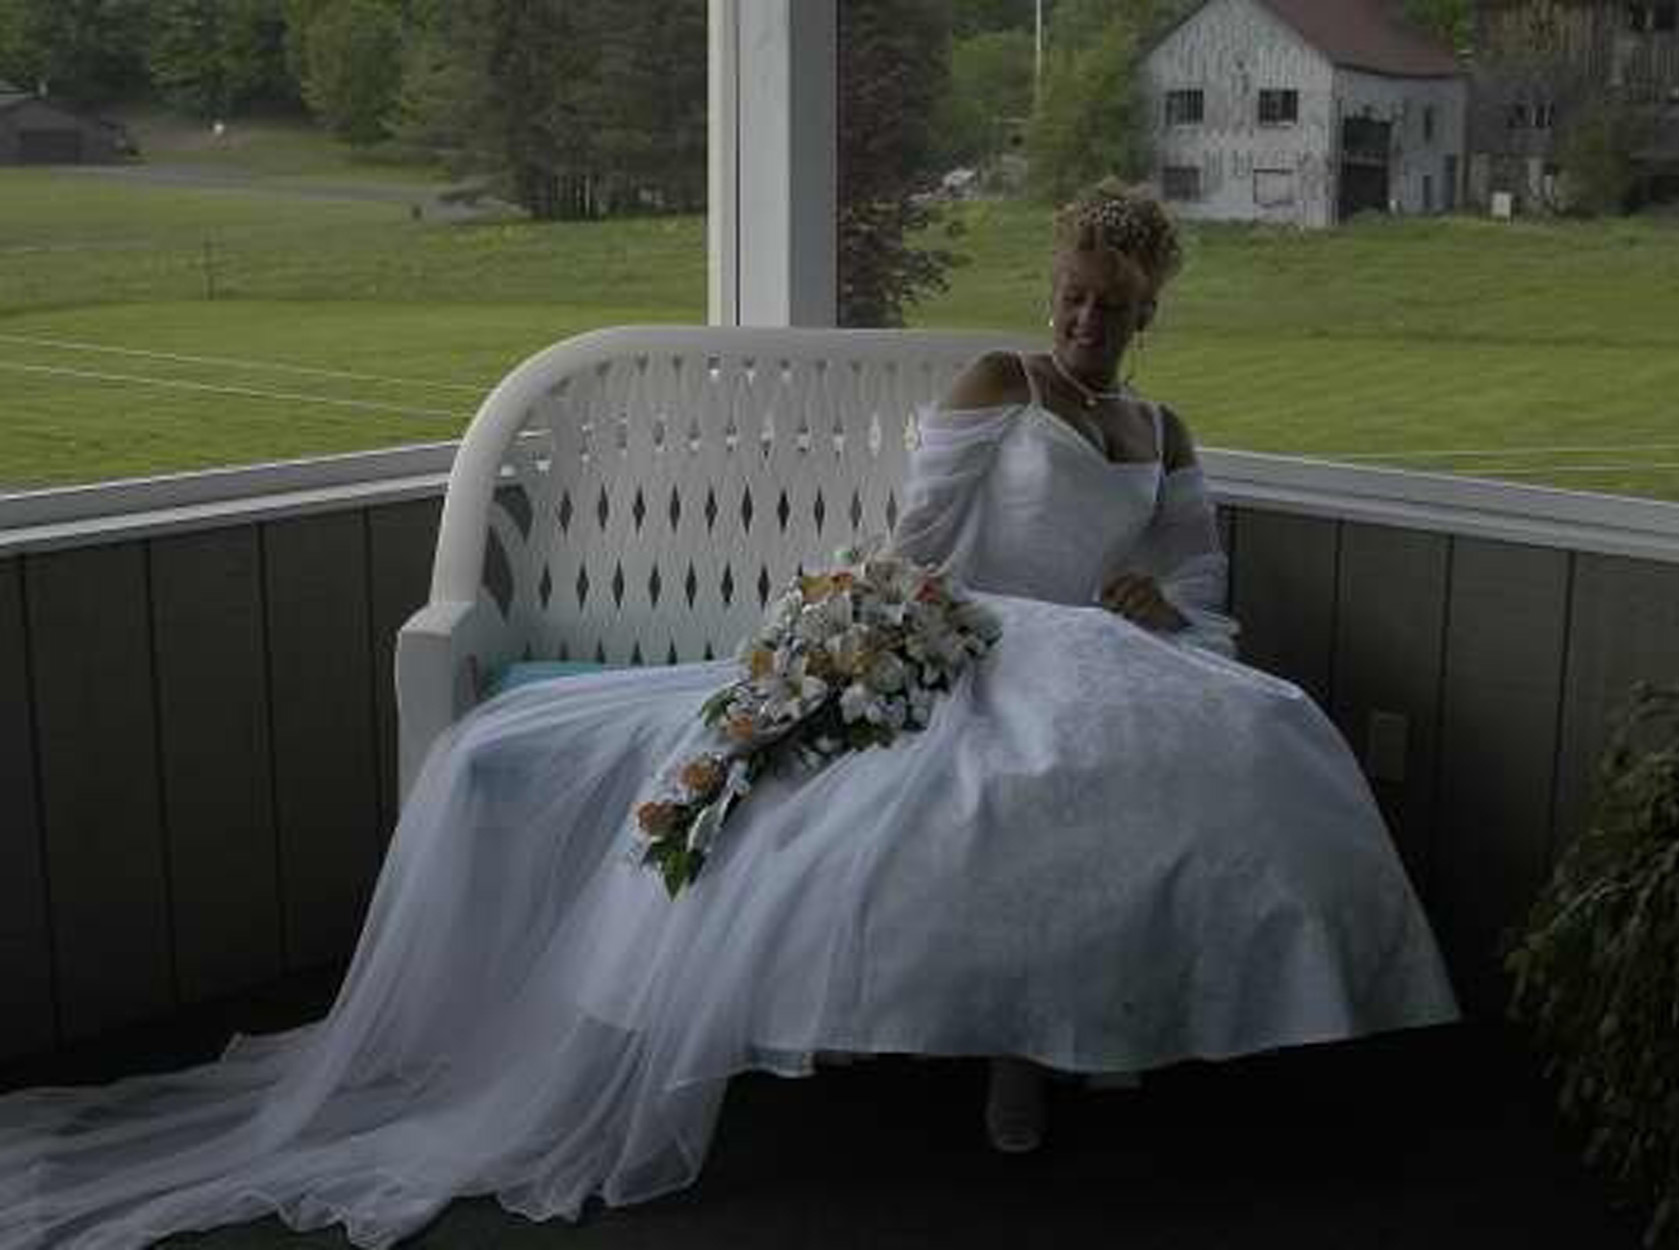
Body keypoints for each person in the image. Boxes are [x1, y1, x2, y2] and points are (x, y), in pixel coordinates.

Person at [0, 181, 1457, 1248]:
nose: (1087, 321)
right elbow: (920, 542)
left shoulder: (1163, 431)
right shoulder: (1001, 384)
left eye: (1116, 308)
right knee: (990, 791)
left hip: (1110, 646)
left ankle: (1080, 1032)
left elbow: (1194, 572)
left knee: (1225, 749)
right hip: (978, 631)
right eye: (1074, 294)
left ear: (1150, 313)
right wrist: (880, 640)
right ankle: (1001, 1049)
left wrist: (1162, 605)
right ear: (1054, 283)